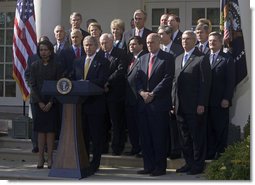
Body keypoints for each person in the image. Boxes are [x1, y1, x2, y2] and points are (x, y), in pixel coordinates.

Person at [136, 33, 175, 176]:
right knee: (145, 137)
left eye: (152, 42)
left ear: (159, 42)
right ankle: (148, 166)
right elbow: (138, 79)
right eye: (147, 42)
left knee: (159, 137)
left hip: (159, 104)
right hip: (144, 104)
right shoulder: (142, 58)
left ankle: (160, 167)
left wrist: (152, 93)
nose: (149, 45)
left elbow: (168, 78)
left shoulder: (167, 57)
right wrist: (142, 93)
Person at [174, 30, 211, 175]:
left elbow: (205, 83)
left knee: (197, 137)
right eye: (183, 39)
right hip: (180, 105)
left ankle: (198, 165)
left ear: (195, 41)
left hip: (195, 106)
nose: (185, 41)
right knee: (184, 138)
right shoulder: (178, 58)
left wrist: (202, 103)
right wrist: (173, 102)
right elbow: (174, 83)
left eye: (188, 39)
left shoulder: (201, 58)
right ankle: (188, 163)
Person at [72, 35, 109, 175]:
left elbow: (101, 80)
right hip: (80, 105)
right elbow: (73, 79)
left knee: (96, 136)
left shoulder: (103, 61)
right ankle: (84, 161)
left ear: (96, 46)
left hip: (96, 105)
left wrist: (86, 84)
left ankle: (95, 163)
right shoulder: (77, 61)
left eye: (90, 45)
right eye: (85, 45)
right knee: (83, 135)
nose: (88, 48)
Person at [30, 40, 61, 169]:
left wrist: (50, 102)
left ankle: (50, 158)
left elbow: (59, 85)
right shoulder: (34, 65)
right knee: (41, 131)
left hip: (52, 103)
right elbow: (33, 85)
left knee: (50, 131)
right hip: (39, 103)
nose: (43, 52)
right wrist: (40, 102)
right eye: (41, 50)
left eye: (46, 49)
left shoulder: (56, 66)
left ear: (50, 51)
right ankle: (40, 157)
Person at [206, 32, 235, 160]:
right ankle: (210, 153)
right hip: (206, 101)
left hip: (220, 101)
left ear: (220, 42)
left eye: (214, 41)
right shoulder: (204, 57)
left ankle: (221, 155)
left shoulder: (227, 58)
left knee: (220, 129)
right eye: (210, 41)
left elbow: (231, 81)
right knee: (208, 128)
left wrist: (226, 98)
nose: (211, 43)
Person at [157, 25, 183, 159]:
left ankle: (175, 150)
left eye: (162, 34)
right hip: (159, 93)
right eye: (158, 34)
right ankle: (165, 149)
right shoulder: (158, 49)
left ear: (169, 35)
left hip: (173, 91)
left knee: (173, 124)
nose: (159, 37)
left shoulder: (178, 49)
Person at [100, 33, 128, 156]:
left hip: (115, 94)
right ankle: (103, 146)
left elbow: (120, 70)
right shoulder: (99, 54)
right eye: (101, 43)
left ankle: (117, 147)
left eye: (106, 42)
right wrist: (102, 84)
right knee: (103, 122)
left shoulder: (120, 53)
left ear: (112, 42)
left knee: (116, 122)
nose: (104, 45)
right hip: (101, 94)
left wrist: (108, 82)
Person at [25, 36, 50, 153]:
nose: (43, 50)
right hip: (36, 96)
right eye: (41, 47)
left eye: (45, 47)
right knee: (36, 122)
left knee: (48, 123)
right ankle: (36, 145)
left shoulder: (53, 62)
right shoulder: (32, 59)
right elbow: (27, 75)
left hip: (49, 97)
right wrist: (32, 86)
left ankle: (46, 146)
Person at [125, 36, 147, 157]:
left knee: (141, 126)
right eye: (130, 45)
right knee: (132, 126)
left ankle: (143, 149)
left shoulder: (144, 58)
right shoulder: (130, 58)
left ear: (141, 45)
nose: (131, 46)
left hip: (139, 98)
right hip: (129, 99)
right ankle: (135, 147)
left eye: (134, 44)